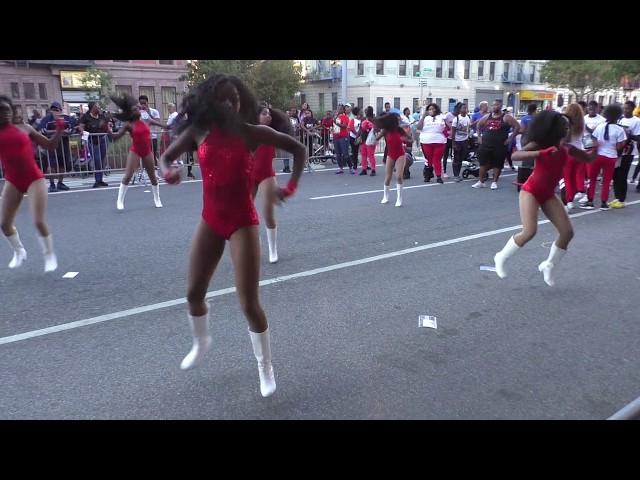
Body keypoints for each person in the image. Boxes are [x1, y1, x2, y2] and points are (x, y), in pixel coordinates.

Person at [159, 74, 307, 398]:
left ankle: (265, 366)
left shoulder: (251, 133)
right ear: (211, 102)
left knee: (248, 302)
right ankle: (201, 342)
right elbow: (166, 157)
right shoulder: (199, 133)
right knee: (193, 294)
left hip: (242, 221)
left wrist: (291, 186)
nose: (231, 103)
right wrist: (167, 171)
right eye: (224, 98)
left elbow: (298, 149)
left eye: (235, 98)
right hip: (210, 220)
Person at [493, 110, 597, 287]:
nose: (567, 130)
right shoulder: (539, 144)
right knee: (529, 231)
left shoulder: (568, 148)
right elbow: (515, 156)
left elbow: (588, 158)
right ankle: (501, 256)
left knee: (567, 232)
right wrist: (541, 153)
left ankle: (549, 265)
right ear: (554, 129)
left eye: (568, 126)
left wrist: (595, 147)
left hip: (548, 194)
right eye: (563, 126)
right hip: (531, 191)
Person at [0, 95, 65, 272]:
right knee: (4, 224)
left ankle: (49, 254)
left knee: (38, 221)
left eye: (7, 110)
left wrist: (59, 130)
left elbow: (50, 146)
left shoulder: (25, 128)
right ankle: (19, 251)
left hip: (34, 178)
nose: (5, 113)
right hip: (13, 180)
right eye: (1, 111)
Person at [108, 95, 167, 211]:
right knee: (128, 176)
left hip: (147, 151)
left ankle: (157, 199)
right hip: (135, 151)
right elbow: (115, 137)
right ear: (131, 113)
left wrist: (175, 124)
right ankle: (120, 201)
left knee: (153, 177)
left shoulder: (147, 120)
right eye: (135, 109)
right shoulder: (128, 125)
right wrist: (108, 130)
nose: (138, 110)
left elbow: (164, 125)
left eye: (138, 108)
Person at [252, 104, 293, 264]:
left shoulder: (273, 133)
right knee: (245, 215)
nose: (268, 116)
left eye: (269, 114)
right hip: (249, 176)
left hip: (266, 176)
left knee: (268, 214)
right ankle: (252, 246)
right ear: (256, 117)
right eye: (264, 114)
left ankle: (273, 249)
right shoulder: (247, 132)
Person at [581, 104, 627, 210]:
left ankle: (590, 201)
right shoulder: (620, 130)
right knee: (606, 181)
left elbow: (594, 141)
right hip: (611, 157)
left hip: (597, 155)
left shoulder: (600, 126)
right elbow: (619, 146)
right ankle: (603, 203)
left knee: (592, 179)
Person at [473, 99, 520, 189]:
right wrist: (479, 137)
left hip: (500, 144)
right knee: (483, 163)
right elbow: (478, 125)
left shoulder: (506, 117)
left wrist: (510, 138)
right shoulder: (488, 116)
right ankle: (481, 181)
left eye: (497, 105)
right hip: (486, 143)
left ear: (501, 106)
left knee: (497, 164)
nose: (494, 106)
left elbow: (517, 127)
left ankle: (494, 182)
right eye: (493, 105)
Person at [39, 101, 76, 192]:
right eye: (53, 109)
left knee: (62, 164)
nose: (55, 111)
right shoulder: (46, 119)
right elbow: (43, 131)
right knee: (51, 165)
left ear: (60, 110)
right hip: (51, 144)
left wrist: (58, 131)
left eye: (57, 109)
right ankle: (52, 184)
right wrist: (59, 131)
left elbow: (71, 130)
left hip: (63, 145)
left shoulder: (67, 118)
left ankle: (60, 182)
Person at [377, 113, 409, 207]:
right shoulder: (385, 130)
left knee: (399, 176)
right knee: (388, 177)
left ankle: (399, 198)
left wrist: (404, 138)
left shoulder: (399, 130)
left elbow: (409, 138)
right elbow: (377, 138)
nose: (399, 121)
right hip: (390, 155)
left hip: (400, 154)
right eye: (397, 120)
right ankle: (385, 196)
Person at [612, 101, 640, 205]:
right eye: (624, 108)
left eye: (627, 108)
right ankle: (616, 197)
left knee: (623, 175)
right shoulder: (620, 119)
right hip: (618, 151)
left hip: (629, 152)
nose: (625, 110)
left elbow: (638, 138)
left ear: (633, 109)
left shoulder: (636, 121)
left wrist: (628, 134)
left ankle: (621, 199)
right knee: (615, 174)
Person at [78, 102, 110, 188]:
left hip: (103, 139)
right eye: (97, 106)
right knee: (97, 159)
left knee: (102, 159)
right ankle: (97, 180)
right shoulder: (86, 117)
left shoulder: (101, 116)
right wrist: (83, 133)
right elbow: (81, 126)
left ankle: (101, 180)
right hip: (92, 140)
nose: (99, 107)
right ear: (92, 108)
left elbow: (107, 125)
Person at [562, 104, 587, 210]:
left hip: (569, 153)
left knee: (567, 179)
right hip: (580, 152)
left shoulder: (567, 124)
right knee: (577, 176)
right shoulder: (582, 123)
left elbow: (565, 140)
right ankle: (578, 192)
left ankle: (569, 201)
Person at [417, 103, 448, 183]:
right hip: (426, 141)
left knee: (437, 159)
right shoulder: (425, 118)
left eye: (433, 108)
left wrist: (446, 123)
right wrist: (423, 116)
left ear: (436, 109)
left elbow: (448, 127)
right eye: (430, 109)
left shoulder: (441, 117)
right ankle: (428, 175)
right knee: (429, 159)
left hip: (439, 141)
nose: (431, 110)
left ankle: (438, 176)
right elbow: (419, 127)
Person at [450, 102, 471, 182]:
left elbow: (468, 127)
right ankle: (456, 175)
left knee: (461, 158)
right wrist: (453, 143)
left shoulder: (468, 117)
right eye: (463, 108)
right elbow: (453, 132)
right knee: (456, 158)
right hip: (457, 141)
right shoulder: (456, 119)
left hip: (464, 140)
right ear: (460, 109)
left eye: (466, 108)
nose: (465, 109)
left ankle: (458, 174)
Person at [138, 95, 162, 164]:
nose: (143, 105)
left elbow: (157, 122)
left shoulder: (154, 111)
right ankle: (145, 171)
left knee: (153, 154)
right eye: (141, 103)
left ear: (147, 103)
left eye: (144, 103)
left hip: (152, 136)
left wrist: (149, 113)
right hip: (142, 137)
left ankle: (155, 170)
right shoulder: (138, 113)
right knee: (144, 156)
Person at [359, 106, 377, 176]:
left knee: (371, 155)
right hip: (363, 138)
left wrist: (370, 126)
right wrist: (358, 137)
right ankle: (364, 169)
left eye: (368, 111)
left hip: (370, 139)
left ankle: (373, 170)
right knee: (363, 155)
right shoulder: (363, 119)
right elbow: (360, 129)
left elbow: (377, 128)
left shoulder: (374, 119)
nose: (366, 112)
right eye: (365, 111)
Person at [333, 104, 351, 174]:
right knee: (338, 154)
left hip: (344, 137)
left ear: (343, 110)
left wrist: (336, 123)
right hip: (336, 137)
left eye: (340, 109)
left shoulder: (345, 117)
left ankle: (350, 167)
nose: (338, 110)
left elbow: (344, 126)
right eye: (338, 109)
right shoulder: (336, 117)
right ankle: (341, 168)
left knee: (345, 154)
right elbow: (334, 125)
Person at [347, 106, 362, 171]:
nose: (361, 112)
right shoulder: (353, 120)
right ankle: (355, 165)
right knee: (355, 151)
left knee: (363, 151)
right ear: (357, 112)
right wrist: (357, 135)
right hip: (353, 137)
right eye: (360, 111)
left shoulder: (362, 119)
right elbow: (351, 128)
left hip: (360, 137)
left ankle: (365, 164)